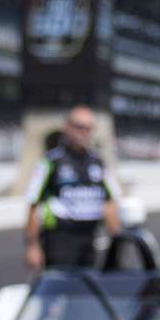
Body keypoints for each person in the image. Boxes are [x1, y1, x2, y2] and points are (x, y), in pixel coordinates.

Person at [24, 105, 121, 270]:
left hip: (89, 238)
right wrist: (32, 246)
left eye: (89, 128)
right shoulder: (51, 161)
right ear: (67, 127)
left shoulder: (98, 162)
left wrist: (117, 242)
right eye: (79, 127)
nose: (84, 132)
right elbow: (33, 202)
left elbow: (109, 202)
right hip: (60, 238)